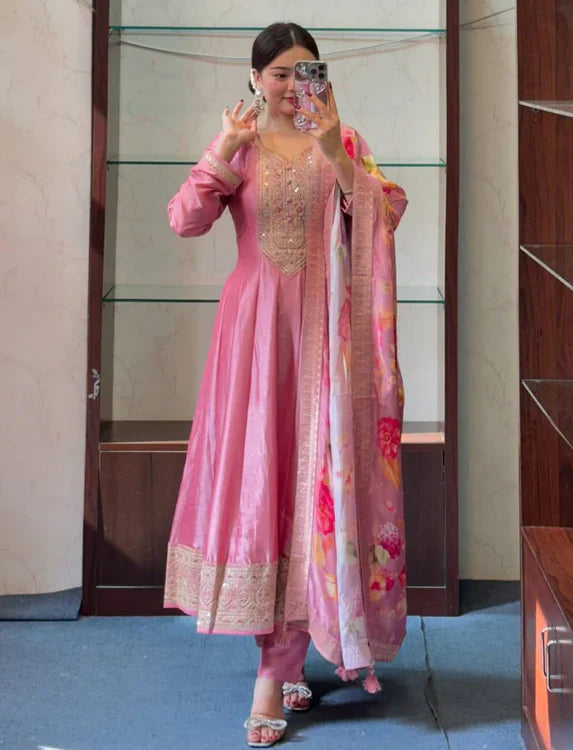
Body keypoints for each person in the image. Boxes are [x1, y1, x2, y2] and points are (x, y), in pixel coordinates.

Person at [163, 21, 409, 748]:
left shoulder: (344, 141)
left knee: (316, 489)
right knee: (262, 491)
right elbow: (184, 221)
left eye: (308, 72)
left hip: (328, 341)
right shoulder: (240, 148)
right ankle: (282, 657)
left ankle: (279, 671)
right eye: (280, 74)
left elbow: (387, 213)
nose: (294, 86)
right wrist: (222, 150)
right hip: (252, 341)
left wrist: (333, 150)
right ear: (254, 78)